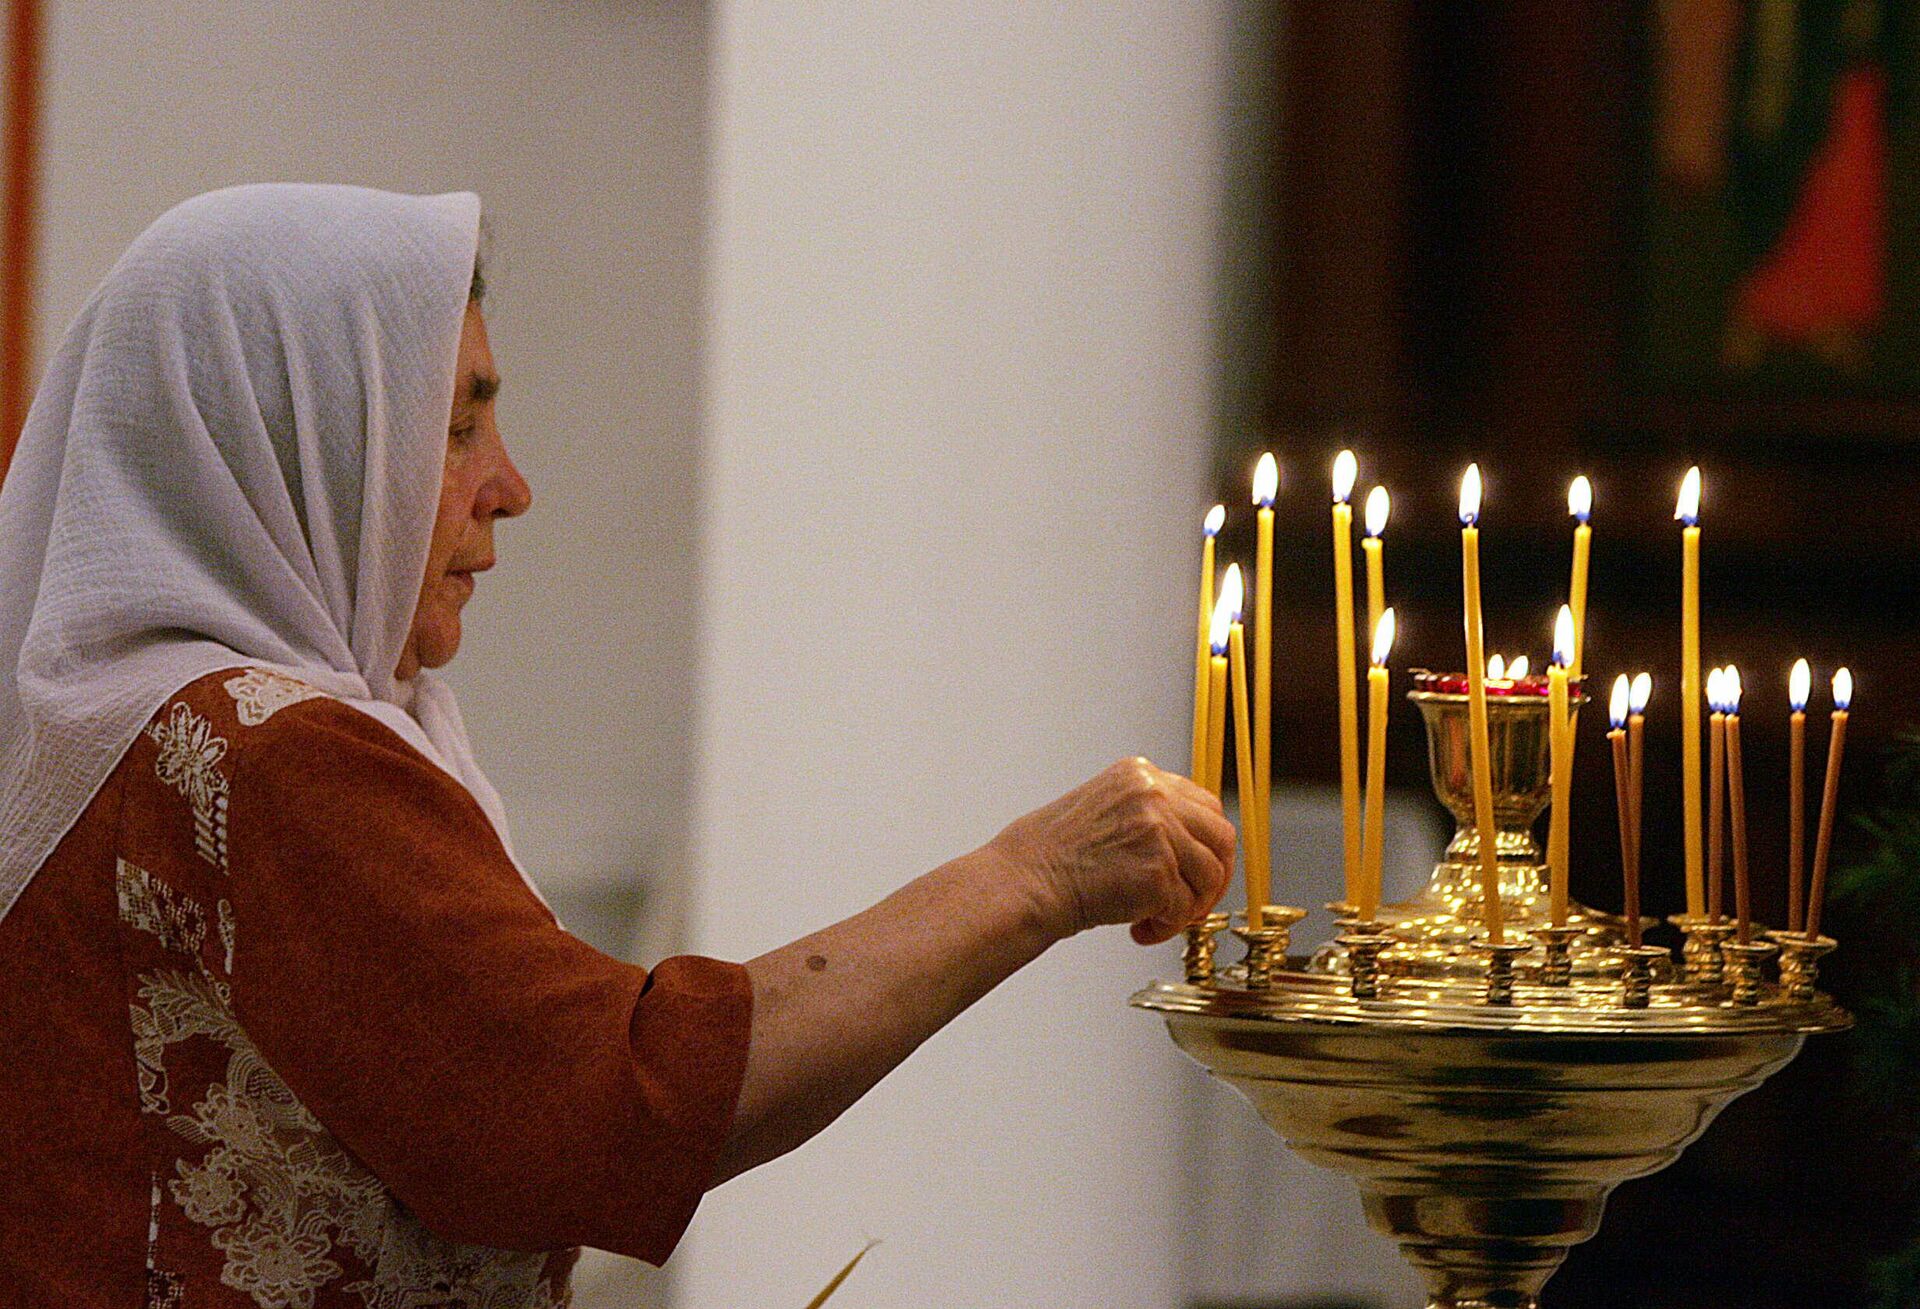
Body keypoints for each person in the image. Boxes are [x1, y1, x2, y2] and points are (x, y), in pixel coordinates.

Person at [0, 184, 1233, 1306]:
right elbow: (605, 1099)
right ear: (301, 437)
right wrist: (1031, 876)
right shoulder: (269, 759)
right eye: (456, 425)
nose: (512, 485)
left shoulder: (140, 730)